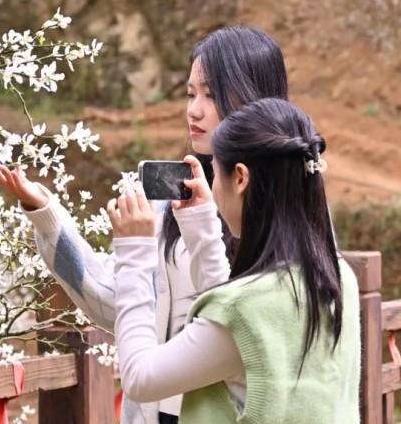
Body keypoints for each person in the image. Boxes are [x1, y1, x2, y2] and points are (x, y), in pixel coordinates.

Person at [0, 26, 288, 424]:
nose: (194, 110)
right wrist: (45, 212)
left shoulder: (291, 222)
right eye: (190, 94)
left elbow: (244, 327)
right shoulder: (177, 201)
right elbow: (113, 297)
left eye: (211, 95)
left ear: (254, 98)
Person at [111, 98, 359, 422]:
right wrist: (201, 226)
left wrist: (134, 252)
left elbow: (139, 377)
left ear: (240, 178)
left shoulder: (244, 312)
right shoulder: (338, 277)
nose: (213, 188)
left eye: (214, 172)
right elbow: (237, 317)